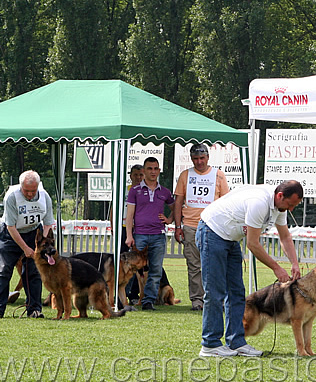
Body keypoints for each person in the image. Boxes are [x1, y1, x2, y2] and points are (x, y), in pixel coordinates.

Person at [197, 180, 303, 357]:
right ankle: (210, 344)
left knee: (237, 292)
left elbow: (285, 236)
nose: (290, 209)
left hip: (230, 238)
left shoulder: (280, 207)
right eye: (290, 204)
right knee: (215, 292)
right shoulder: (259, 203)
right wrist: (276, 268)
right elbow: (253, 244)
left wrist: (294, 263)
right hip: (212, 231)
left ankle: (236, 342)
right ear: (280, 196)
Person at [174, 143, 230, 311]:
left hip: (213, 226)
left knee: (215, 266)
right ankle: (197, 300)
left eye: (202, 158)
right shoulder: (185, 175)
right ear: (191, 159)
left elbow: (226, 202)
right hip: (190, 226)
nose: (199, 162)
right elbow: (178, 202)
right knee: (194, 265)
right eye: (195, 159)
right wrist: (178, 226)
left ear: (208, 157)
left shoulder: (219, 176)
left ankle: (215, 299)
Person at [0, 170, 55, 318]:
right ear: (20, 186)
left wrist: (40, 244)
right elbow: (11, 226)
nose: (30, 194)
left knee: (34, 272)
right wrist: (25, 248)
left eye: (33, 191)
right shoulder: (12, 197)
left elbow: (49, 223)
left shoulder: (45, 196)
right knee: (4, 270)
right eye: (26, 191)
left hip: (34, 233)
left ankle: (34, 310)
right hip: (11, 234)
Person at [125, 157, 175, 311]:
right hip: (140, 235)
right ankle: (126, 297)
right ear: (144, 171)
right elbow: (130, 214)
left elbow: (176, 208)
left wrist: (169, 219)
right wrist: (129, 235)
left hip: (158, 235)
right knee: (132, 269)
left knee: (155, 270)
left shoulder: (164, 191)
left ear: (159, 171)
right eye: (149, 168)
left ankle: (148, 301)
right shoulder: (134, 191)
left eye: (155, 169)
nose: (153, 172)